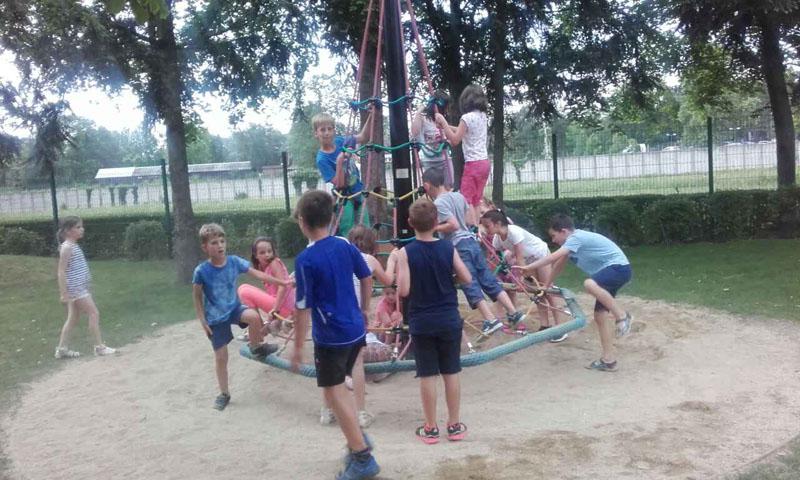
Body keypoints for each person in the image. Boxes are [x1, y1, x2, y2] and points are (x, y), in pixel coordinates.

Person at [291, 190, 379, 480]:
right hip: (354, 331)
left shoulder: (305, 259)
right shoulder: (343, 245)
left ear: (302, 222)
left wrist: (297, 347)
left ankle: (362, 457)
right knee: (336, 390)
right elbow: (366, 275)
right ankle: (358, 440)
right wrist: (365, 309)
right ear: (331, 218)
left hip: (331, 337)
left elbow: (302, 308)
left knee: (336, 392)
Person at [392, 198, 472, 444]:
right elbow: (467, 278)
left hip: (422, 320)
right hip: (448, 317)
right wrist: (449, 277)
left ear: (410, 223)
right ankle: (454, 425)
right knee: (451, 371)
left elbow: (403, 290)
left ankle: (430, 427)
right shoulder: (448, 248)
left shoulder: (405, 253)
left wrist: (398, 265)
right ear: (437, 222)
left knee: (427, 374)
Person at [513, 214, 633, 372]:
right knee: (599, 316)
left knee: (589, 284)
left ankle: (622, 316)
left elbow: (552, 258)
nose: (553, 240)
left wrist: (529, 267)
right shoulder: (571, 245)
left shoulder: (576, 238)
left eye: (554, 236)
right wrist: (546, 286)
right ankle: (608, 360)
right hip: (611, 272)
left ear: (563, 231)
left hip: (618, 268)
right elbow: (558, 265)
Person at [422, 167, 526, 335]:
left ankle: (490, 319)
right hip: (471, 242)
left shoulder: (439, 203)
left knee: (469, 282)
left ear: (427, 185)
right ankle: (513, 312)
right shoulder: (458, 196)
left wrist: (433, 228)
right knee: (487, 279)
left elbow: (453, 225)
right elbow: (470, 220)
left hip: (459, 246)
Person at [192, 223, 280, 411]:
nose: (220, 245)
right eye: (214, 242)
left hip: (234, 309)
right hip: (215, 318)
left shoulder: (233, 261)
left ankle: (256, 347)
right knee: (221, 357)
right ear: (205, 247)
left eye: (222, 241)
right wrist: (202, 321)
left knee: (253, 317)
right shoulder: (201, 271)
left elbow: (258, 274)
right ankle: (224, 393)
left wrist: (282, 281)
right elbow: (197, 298)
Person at [480, 209, 568, 341]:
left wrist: (520, 278)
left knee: (547, 291)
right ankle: (545, 325)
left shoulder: (514, 231)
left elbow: (519, 256)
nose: (486, 230)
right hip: (529, 261)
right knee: (537, 292)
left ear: (498, 224)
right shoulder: (497, 239)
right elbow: (496, 257)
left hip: (540, 255)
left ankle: (560, 328)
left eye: (487, 226)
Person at [54, 216, 116, 359]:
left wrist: (86, 284)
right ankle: (99, 347)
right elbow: (61, 271)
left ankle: (62, 349)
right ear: (68, 230)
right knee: (94, 313)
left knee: (73, 318)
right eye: (78, 227)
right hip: (76, 289)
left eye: (81, 226)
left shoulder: (73, 245)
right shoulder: (67, 247)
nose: (82, 229)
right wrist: (63, 293)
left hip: (79, 287)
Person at [434, 84, 490, 226]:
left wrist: (443, 122)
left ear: (465, 101)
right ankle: (477, 229)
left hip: (473, 164)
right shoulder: (482, 116)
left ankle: (470, 226)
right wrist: (446, 127)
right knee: (476, 199)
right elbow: (463, 131)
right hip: (484, 163)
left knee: (466, 198)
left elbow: (455, 140)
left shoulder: (466, 117)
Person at [313, 111, 374, 237]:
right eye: (322, 130)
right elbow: (339, 184)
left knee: (365, 227)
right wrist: (340, 161)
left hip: (358, 190)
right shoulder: (322, 159)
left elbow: (363, 137)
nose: (326, 133)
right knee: (347, 228)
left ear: (334, 130)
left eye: (329, 129)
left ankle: (366, 248)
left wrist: (371, 114)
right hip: (343, 195)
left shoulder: (340, 141)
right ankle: (347, 248)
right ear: (316, 133)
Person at [237, 237, 295, 339]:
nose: (267, 254)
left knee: (244, 291)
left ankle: (257, 327)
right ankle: (258, 325)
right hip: (280, 305)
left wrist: (275, 311)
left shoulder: (274, 263)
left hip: (284, 309)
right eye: (262, 252)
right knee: (243, 287)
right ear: (256, 255)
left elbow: (282, 287)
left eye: (269, 251)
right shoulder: (262, 267)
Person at [410, 90, 453, 188]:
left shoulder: (442, 118)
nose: (447, 110)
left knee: (449, 186)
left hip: (444, 159)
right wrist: (418, 113)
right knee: (433, 188)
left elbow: (450, 137)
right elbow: (414, 132)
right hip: (429, 160)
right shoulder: (424, 118)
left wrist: (447, 142)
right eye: (445, 107)